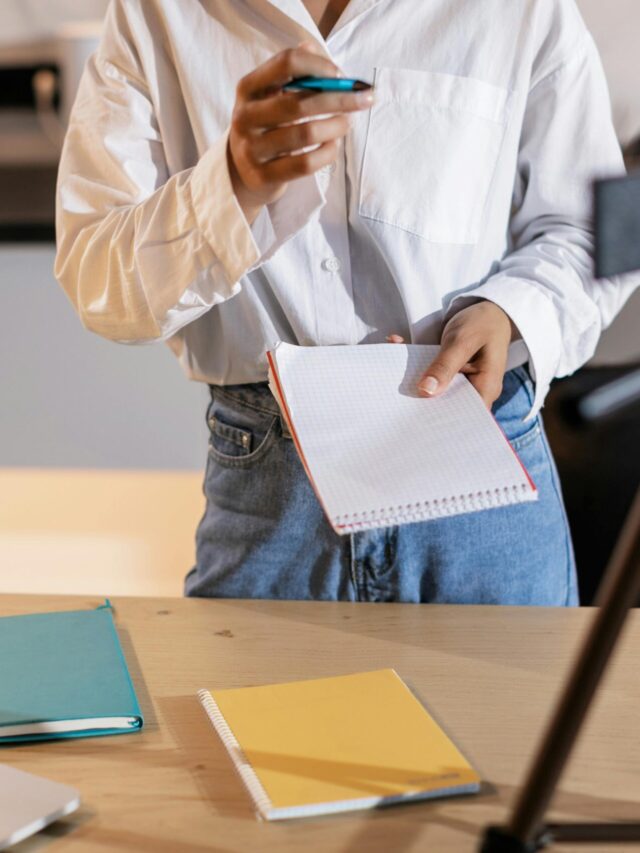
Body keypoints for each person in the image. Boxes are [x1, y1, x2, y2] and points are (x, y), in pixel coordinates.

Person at [54, 0, 634, 605]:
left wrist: (511, 310)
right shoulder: (159, 12)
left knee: (521, 677)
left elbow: (597, 230)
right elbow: (100, 280)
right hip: (270, 491)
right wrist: (231, 186)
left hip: (479, 461)